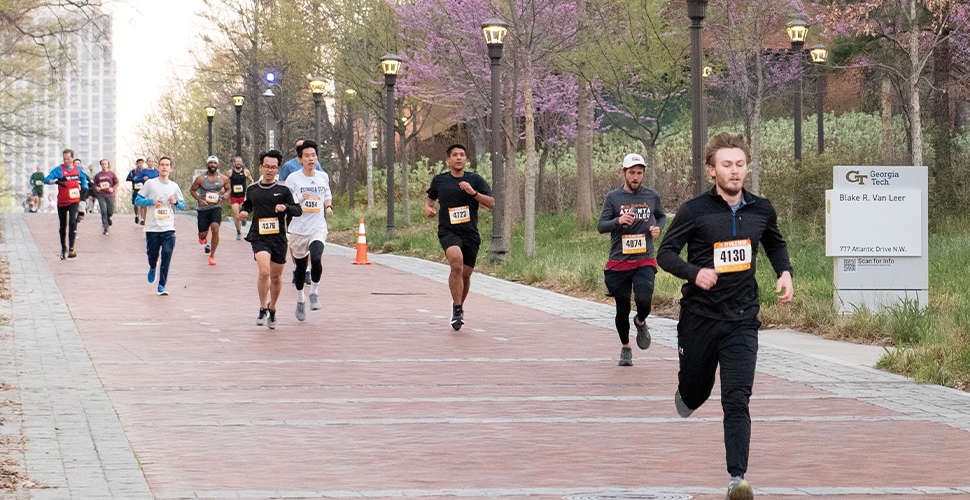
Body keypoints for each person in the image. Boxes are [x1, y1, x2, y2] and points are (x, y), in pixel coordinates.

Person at [656, 132, 794, 500]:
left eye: (740, 164)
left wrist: (784, 272)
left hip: (742, 319)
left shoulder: (761, 209)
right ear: (712, 170)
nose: (734, 171)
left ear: (747, 166)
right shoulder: (694, 211)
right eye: (726, 165)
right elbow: (665, 254)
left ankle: (738, 479)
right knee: (696, 392)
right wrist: (693, 273)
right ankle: (688, 392)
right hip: (700, 317)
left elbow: (775, 243)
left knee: (737, 399)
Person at [597, 153, 666, 367]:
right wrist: (618, 220)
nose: (636, 177)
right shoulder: (613, 197)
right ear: (623, 172)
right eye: (632, 173)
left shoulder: (651, 196)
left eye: (639, 173)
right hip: (620, 261)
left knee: (644, 299)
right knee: (622, 307)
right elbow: (601, 226)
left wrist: (658, 228)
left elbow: (661, 216)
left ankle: (640, 321)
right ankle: (626, 347)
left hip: (644, 259)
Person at [423, 144, 495, 331]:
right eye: (454, 155)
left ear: (466, 159)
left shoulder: (475, 180)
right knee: (456, 263)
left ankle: (459, 306)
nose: (458, 158)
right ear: (448, 160)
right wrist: (428, 207)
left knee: (466, 273)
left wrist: (474, 193)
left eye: (462, 155)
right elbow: (430, 197)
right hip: (448, 230)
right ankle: (456, 309)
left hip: (470, 232)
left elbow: (492, 203)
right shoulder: (440, 180)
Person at [237, 150, 302, 329]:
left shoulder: (283, 190)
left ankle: (272, 308)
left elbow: (297, 210)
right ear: (261, 167)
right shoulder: (253, 189)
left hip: (278, 238)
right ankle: (261, 307)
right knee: (264, 272)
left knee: (276, 276)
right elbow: (248, 204)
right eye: (267, 166)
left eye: (273, 167)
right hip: (259, 237)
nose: (270, 170)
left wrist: (285, 207)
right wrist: (244, 212)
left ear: (278, 169)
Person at [283, 140, 332, 321]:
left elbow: (326, 194)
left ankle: (314, 293)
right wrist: (299, 197)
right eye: (307, 156)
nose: (311, 159)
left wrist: (328, 207)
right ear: (300, 159)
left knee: (317, 257)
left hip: (318, 227)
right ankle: (300, 300)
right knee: (301, 268)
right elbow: (287, 201)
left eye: (313, 155)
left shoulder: (323, 176)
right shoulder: (293, 179)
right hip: (298, 229)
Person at [134, 157, 186, 296]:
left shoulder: (174, 186)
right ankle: (152, 267)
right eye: (162, 165)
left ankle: (162, 285)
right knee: (153, 254)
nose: (164, 167)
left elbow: (182, 205)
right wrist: (152, 201)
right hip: (152, 227)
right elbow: (137, 199)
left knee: (167, 254)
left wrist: (175, 202)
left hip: (168, 227)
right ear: (158, 168)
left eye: (167, 165)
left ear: (170, 169)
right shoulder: (150, 184)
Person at [44, 149, 89, 259]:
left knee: (73, 222)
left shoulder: (77, 168)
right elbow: (46, 179)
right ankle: (63, 248)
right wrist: (56, 181)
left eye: (68, 159)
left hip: (74, 200)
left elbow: (83, 179)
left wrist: (85, 188)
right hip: (62, 202)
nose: (66, 161)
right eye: (64, 159)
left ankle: (71, 249)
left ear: (72, 158)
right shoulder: (59, 169)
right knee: (63, 225)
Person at [190, 156, 229, 265]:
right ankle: (202, 238)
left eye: (214, 163)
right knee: (203, 235)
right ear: (207, 165)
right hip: (203, 209)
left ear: (217, 165)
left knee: (215, 228)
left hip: (216, 207)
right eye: (210, 163)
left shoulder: (223, 178)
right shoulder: (201, 179)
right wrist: (199, 200)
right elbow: (192, 190)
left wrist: (226, 194)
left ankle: (212, 256)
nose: (212, 165)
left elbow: (228, 188)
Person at [228, 156, 254, 240]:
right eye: (237, 161)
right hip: (234, 197)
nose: (238, 163)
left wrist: (250, 190)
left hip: (243, 197)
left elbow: (251, 181)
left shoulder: (246, 172)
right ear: (234, 163)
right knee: (237, 216)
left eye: (240, 161)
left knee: (242, 212)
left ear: (242, 163)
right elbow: (226, 182)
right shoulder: (230, 172)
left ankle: (243, 219)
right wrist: (226, 190)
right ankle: (238, 233)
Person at [93, 159, 119, 234]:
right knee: (103, 210)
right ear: (101, 165)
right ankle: (105, 227)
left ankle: (108, 218)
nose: (104, 165)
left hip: (110, 195)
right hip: (101, 195)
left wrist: (112, 188)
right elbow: (94, 184)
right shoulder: (98, 175)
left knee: (110, 211)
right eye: (102, 164)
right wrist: (96, 188)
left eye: (105, 164)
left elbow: (116, 183)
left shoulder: (111, 174)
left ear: (108, 165)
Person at [133, 157, 159, 225]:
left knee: (155, 204)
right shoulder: (143, 171)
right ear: (147, 163)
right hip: (146, 190)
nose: (151, 163)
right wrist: (143, 179)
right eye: (149, 161)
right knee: (145, 204)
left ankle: (155, 218)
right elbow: (136, 179)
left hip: (156, 190)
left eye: (152, 161)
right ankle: (143, 219)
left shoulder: (156, 171)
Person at [126, 158, 145, 223]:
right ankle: (136, 215)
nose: (140, 164)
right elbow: (128, 178)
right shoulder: (133, 171)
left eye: (141, 163)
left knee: (143, 204)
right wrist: (134, 179)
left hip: (143, 189)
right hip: (136, 190)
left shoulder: (144, 171)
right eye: (139, 163)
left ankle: (142, 219)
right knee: (136, 204)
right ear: (137, 164)